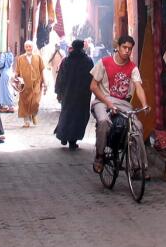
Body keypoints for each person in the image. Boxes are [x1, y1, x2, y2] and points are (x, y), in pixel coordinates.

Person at [90, 34, 150, 176]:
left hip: (123, 103)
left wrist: (145, 104)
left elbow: (138, 87)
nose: (127, 51)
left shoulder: (133, 68)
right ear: (117, 47)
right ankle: (99, 156)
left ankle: (137, 167)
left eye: (130, 49)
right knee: (104, 121)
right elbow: (93, 86)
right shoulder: (104, 63)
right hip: (102, 101)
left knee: (137, 127)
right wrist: (108, 102)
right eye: (124, 47)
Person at [53, 39, 94, 149]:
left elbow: (60, 77)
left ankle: (63, 136)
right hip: (83, 95)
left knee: (66, 114)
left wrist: (58, 92)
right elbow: (92, 78)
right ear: (82, 47)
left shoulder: (66, 60)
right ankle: (72, 140)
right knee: (79, 117)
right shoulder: (88, 61)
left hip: (68, 93)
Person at [13, 40, 45, 128]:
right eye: (27, 47)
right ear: (24, 48)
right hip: (24, 85)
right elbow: (17, 71)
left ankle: (33, 114)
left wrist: (45, 82)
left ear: (32, 47)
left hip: (36, 83)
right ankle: (26, 121)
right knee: (24, 103)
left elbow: (42, 70)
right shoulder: (20, 58)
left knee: (35, 102)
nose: (28, 48)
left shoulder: (38, 57)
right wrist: (14, 77)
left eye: (30, 46)